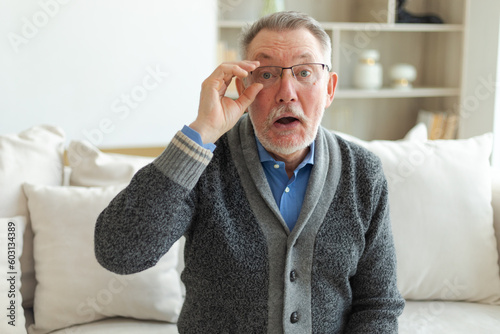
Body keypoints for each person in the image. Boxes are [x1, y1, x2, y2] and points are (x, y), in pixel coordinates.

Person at [94, 11, 405, 333]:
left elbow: (377, 304)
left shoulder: (363, 173)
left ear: (329, 89)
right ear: (243, 86)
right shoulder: (203, 162)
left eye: (304, 72)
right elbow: (120, 254)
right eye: (267, 74)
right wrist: (202, 131)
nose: (286, 92)